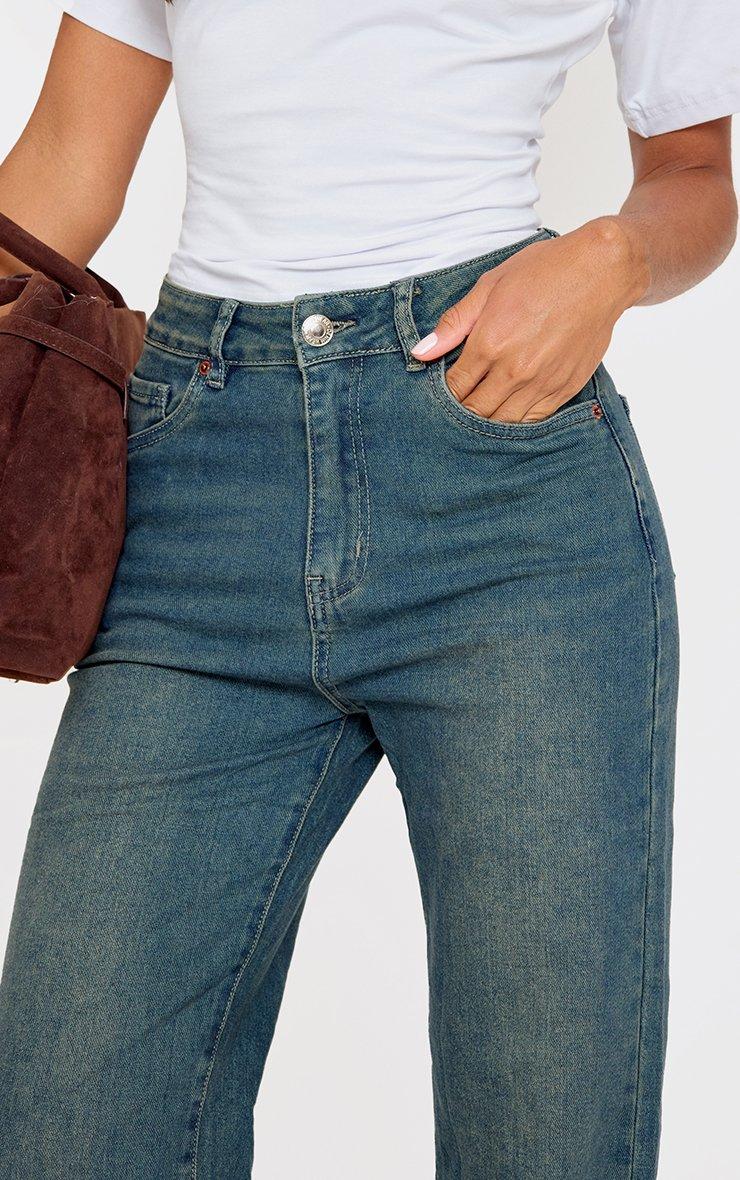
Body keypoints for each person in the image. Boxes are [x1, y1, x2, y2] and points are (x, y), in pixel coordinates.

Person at [0, 2, 737, 1177]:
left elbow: (694, 175)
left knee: (546, 1136)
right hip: (195, 485)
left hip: (505, 496)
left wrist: (612, 257)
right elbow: (63, 170)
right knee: (69, 1126)